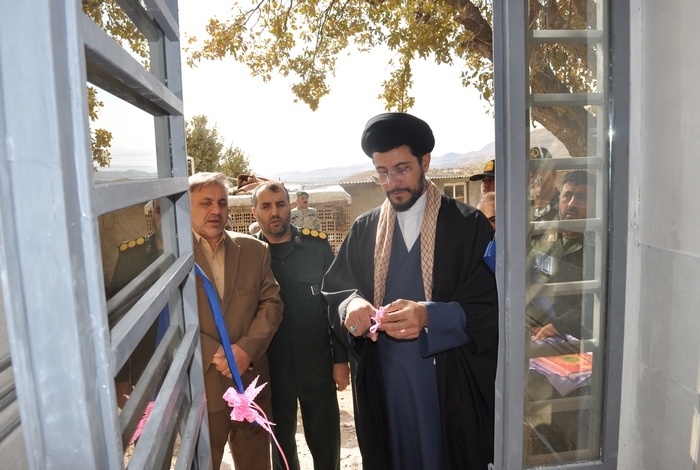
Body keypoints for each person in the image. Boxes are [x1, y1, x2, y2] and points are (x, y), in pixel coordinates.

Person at [322, 113, 499, 470]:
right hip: (384, 383)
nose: (392, 182)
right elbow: (338, 290)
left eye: (402, 169)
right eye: (383, 173)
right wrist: (351, 306)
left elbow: (490, 305)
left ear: (425, 162)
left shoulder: (468, 226)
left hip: (448, 383)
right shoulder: (365, 228)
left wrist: (430, 316)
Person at [250, 181, 350, 470]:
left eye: (280, 204)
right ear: (255, 212)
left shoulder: (316, 247)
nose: (274, 212)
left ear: (290, 206)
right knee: (280, 444)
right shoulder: (249, 254)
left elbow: (334, 304)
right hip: (271, 367)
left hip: (316, 362)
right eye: (266, 206)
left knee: (325, 440)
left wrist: (340, 360)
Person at [189, 172, 284, 470]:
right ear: (186, 207)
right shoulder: (175, 258)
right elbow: (169, 317)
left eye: (221, 202)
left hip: (249, 385)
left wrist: (246, 350)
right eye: (206, 203)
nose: (215, 210)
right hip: (202, 389)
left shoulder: (255, 250)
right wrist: (213, 352)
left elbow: (272, 304)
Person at [108, 199, 166, 408]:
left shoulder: (197, 249)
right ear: (152, 215)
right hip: (145, 367)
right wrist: (120, 379)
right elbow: (117, 319)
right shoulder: (132, 256)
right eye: (159, 211)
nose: (165, 218)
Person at [528, 170, 596, 340]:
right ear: (559, 199)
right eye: (567, 195)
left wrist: (562, 324)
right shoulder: (539, 236)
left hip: (578, 339)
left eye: (582, 197)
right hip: (535, 333)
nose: (572, 204)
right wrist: (530, 323)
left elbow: (600, 298)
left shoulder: (601, 247)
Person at [529, 146, 559, 222]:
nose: (532, 175)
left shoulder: (565, 205)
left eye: (538, 170)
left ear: (553, 174)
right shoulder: (522, 208)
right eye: (528, 170)